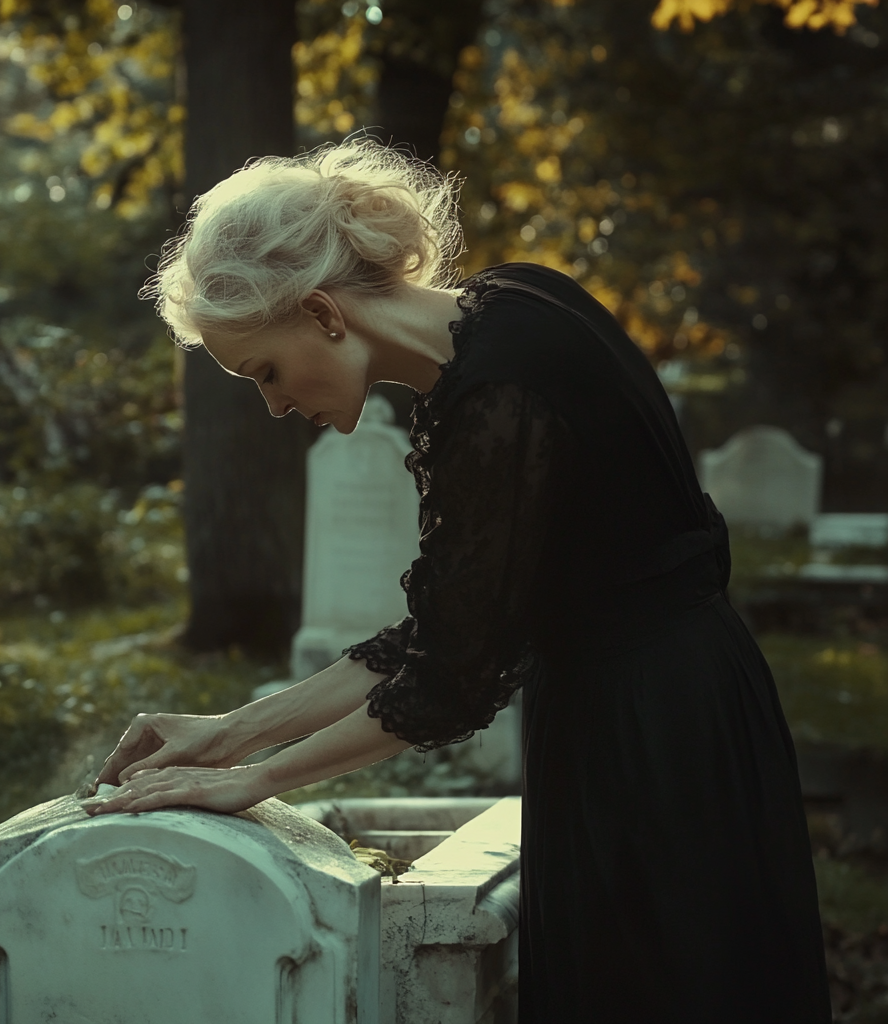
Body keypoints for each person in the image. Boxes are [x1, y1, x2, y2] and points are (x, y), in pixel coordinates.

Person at [82, 140, 831, 1023]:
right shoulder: (521, 304)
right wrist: (225, 734)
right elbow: (438, 634)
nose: (276, 406)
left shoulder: (496, 399)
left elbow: (446, 685)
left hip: (650, 734)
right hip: (669, 700)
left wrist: (251, 781)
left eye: (266, 372)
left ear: (322, 312)